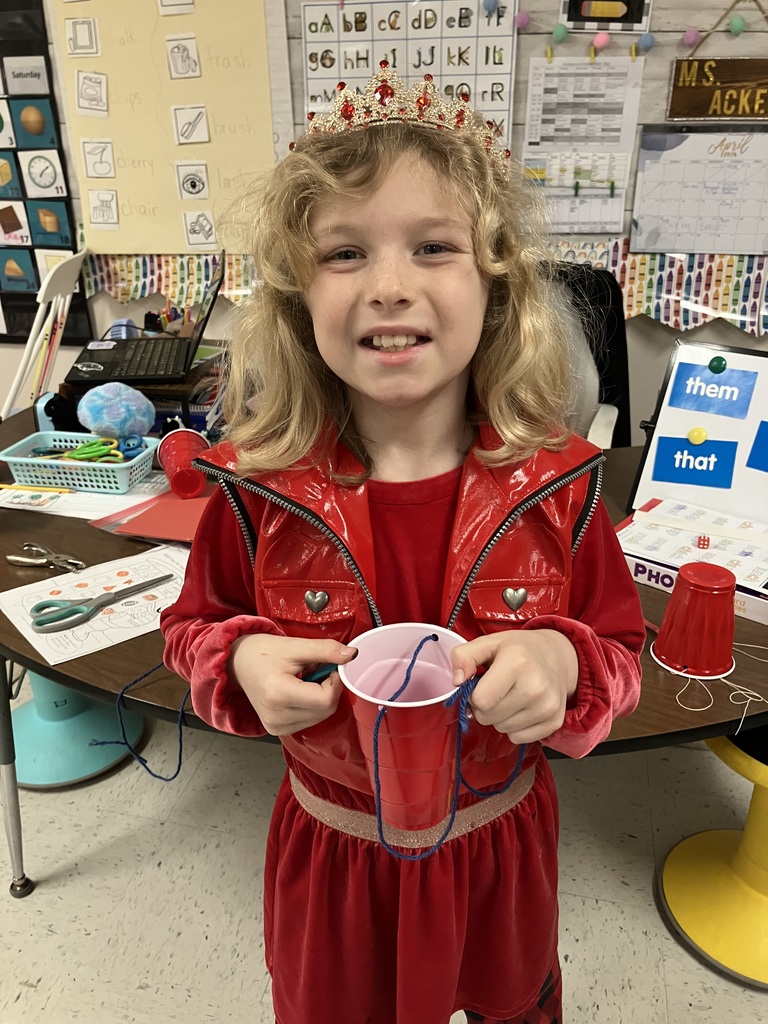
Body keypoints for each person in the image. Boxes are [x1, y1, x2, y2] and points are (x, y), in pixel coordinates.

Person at [161, 61, 645, 1024]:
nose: (388, 286)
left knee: (513, 1006)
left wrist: (563, 656)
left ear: (493, 277)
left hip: (498, 849)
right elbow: (191, 629)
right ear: (300, 293)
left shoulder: (555, 487)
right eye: (344, 254)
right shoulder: (259, 490)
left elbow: (622, 651)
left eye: (432, 246)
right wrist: (239, 659)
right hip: (331, 854)